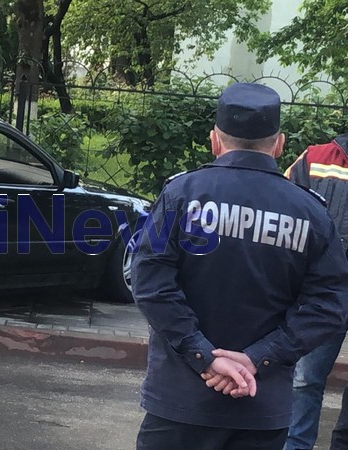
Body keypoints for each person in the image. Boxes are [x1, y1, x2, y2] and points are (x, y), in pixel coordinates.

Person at [131, 82, 348, 450]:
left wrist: (203, 355)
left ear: (214, 140)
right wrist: (258, 358)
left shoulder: (181, 195)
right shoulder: (310, 212)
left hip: (180, 402)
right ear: (279, 145)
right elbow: (329, 304)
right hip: (260, 406)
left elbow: (151, 285)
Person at [283, 133, 348, 449]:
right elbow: (283, 211)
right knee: (305, 378)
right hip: (322, 291)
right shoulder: (315, 158)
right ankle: (295, 445)